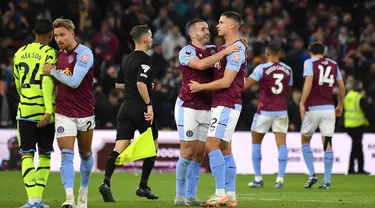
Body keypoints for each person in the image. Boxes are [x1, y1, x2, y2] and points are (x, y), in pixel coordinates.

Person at [174, 19, 240, 206]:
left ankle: (191, 196)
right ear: (192, 34)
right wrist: (226, 51)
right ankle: (179, 196)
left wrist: (240, 43)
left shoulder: (213, 49)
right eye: (202, 29)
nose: (207, 31)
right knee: (187, 151)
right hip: (187, 106)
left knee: (199, 154)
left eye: (207, 29)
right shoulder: (186, 51)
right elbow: (201, 66)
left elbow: (229, 48)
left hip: (207, 107)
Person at [189, 11, 246, 207]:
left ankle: (219, 192)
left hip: (227, 102)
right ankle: (230, 195)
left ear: (232, 26)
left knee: (211, 145)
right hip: (222, 103)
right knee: (225, 147)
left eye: (221, 22)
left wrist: (200, 87)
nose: (217, 26)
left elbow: (227, 81)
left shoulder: (237, 50)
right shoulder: (226, 48)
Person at [99, 24, 159, 202]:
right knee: (153, 147)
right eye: (151, 36)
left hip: (125, 108)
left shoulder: (126, 59)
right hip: (141, 108)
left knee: (119, 147)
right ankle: (143, 186)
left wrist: (143, 85)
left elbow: (119, 85)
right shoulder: (146, 59)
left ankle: (106, 183)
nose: (153, 39)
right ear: (145, 39)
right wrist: (148, 104)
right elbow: (141, 84)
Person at [43, 18, 95, 208]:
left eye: (62, 35)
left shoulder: (84, 54)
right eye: (56, 35)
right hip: (64, 113)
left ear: (72, 34)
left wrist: (53, 72)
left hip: (85, 112)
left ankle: (83, 190)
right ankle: (69, 198)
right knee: (66, 154)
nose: (59, 39)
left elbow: (74, 82)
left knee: (86, 153)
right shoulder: (57, 55)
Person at [13, 19, 56, 208]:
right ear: (51, 35)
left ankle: (32, 200)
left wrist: (26, 98)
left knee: (26, 155)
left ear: (33, 32)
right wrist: (48, 109)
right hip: (46, 111)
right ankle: (37, 200)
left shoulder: (19, 53)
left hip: (24, 110)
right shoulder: (50, 53)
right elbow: (49, 81)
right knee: (45, 155)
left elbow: (17, 84)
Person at [244, 41, 293, 189]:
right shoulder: (288, 70)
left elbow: (246, 86)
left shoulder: (262, 68)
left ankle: (258, 178)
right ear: (280, 54)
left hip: (264, 111)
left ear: (266, 53)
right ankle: (280, 179)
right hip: (282, 111)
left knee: (256, 142)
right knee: (282, 144)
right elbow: (289, 92)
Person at [299, 42, 345, 189]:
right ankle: (327, 181)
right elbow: (342, 86)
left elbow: (308, 82)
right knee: (327, 143)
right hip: (329, 108)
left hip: (313, 108)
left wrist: (301, 102)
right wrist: (340, 104)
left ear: (309, 51)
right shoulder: (333, 64)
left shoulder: (309, 62)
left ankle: (312, 174)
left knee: (305, 140)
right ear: (324, 52)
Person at [344, 80, 371, 174]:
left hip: (348, 125)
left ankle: (353, 168)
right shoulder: (359, 97)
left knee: (356, 147)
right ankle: (357, 168)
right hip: (358, 125)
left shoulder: (348, 96)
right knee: (357, 147)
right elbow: (367, 111)